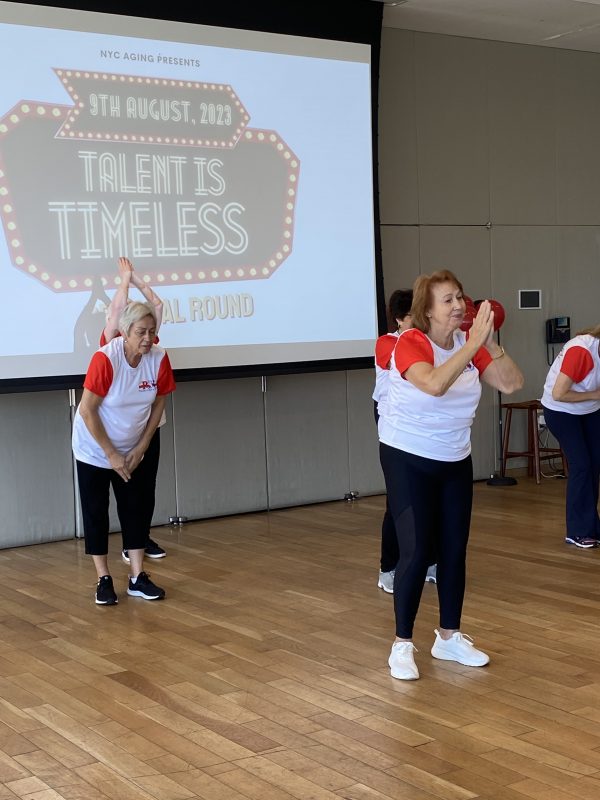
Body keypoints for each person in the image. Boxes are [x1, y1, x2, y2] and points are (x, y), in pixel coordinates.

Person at [378, 270, 523, 680]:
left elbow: (512, 383)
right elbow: (434, 383)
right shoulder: (410, 342)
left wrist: (489, 344)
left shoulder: (468, 344)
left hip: (455, 457)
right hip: (407, 456)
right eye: (448, 300)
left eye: (460, 297)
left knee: (454, 550)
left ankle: (448, 636)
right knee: (417, 550)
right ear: (427, 309)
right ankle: (402, 644)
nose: (459, 305)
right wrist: (473, 344)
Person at [72, 301, 176, 605]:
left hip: (132, 447)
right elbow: (88, 410)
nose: (148, 338)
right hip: (94, 448)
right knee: (96, 511)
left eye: (152, 331)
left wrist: (142, 447)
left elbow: (159, 402)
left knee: (135, 508)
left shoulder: (158, 358)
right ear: (125, 331)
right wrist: (110, 454)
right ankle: (103, 578)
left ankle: (137, 577)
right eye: (141, 332)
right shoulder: (106, 359)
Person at [102, 257, 167, 563]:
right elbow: (117, 309)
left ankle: (141, 537)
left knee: (146, 486)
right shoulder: (110, 345)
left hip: (149, 426)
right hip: (119, 430)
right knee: (125, 489)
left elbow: (157, 303)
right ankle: (130, 542)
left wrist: (136, 278)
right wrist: (124, 280)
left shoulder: (150, 345)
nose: (146, 335)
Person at [374, 290, 439, 593]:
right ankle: (388, 567)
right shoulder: (388, 343)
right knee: (399, 500)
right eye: (414, 315)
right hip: (392, 421)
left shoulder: (430, 342)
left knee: (432, 497)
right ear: (400, 319)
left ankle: (430, 560)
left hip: (424, 421)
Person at [541, 326, 600, 549]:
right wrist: (596, 394)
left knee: (595, 463)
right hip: (561, 410)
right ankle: (577, 532)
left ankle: (592, 526)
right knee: (582, 465)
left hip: (591, 409)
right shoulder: (581, 351)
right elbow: (559, 393)